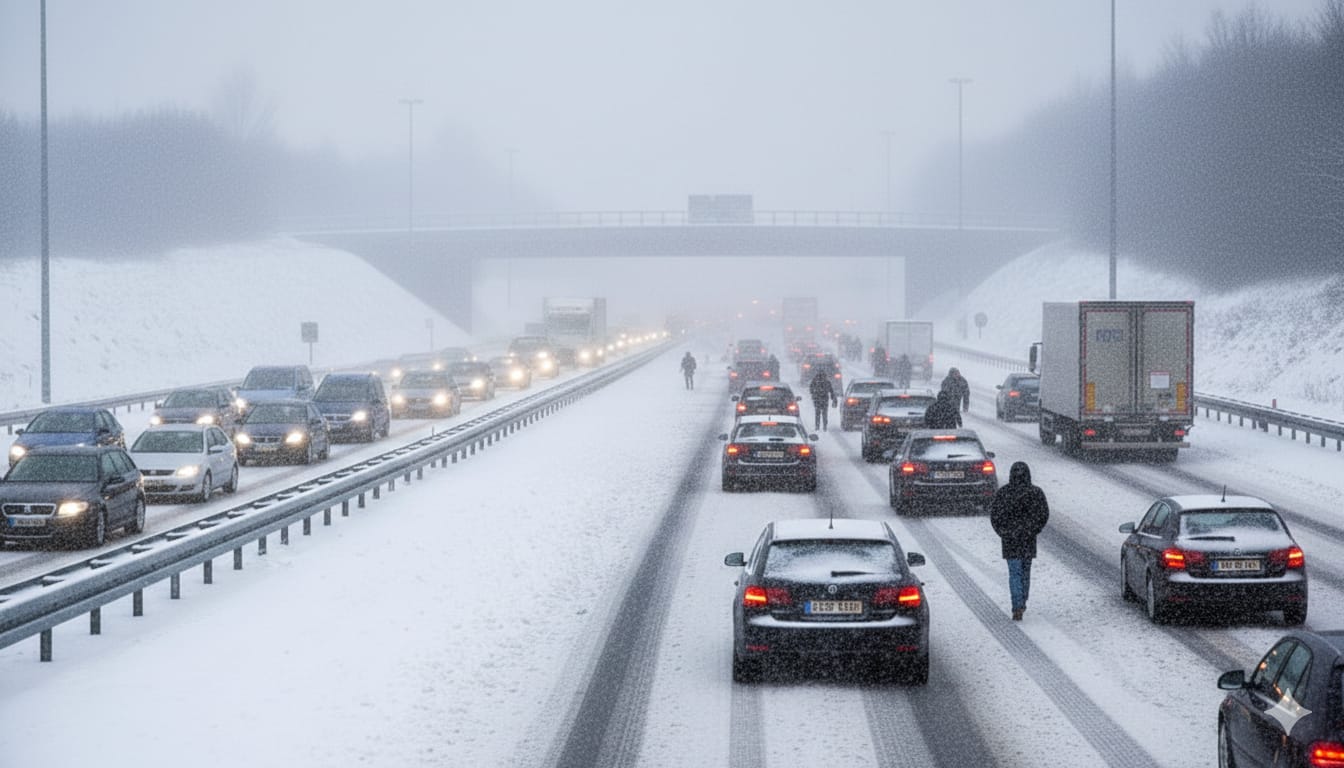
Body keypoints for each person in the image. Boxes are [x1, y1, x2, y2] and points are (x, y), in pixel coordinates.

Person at [989, 462, 1050, 620]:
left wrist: (1004, 532)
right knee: (1025, 572)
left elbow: (995, 516)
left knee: (1014, 573)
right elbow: (1043, 514)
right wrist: (1033, 529)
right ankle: (1022, 600)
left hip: (1010, 541)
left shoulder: (1003, 493)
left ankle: (1017, 604)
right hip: (1028, 540)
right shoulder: (1035, 493)